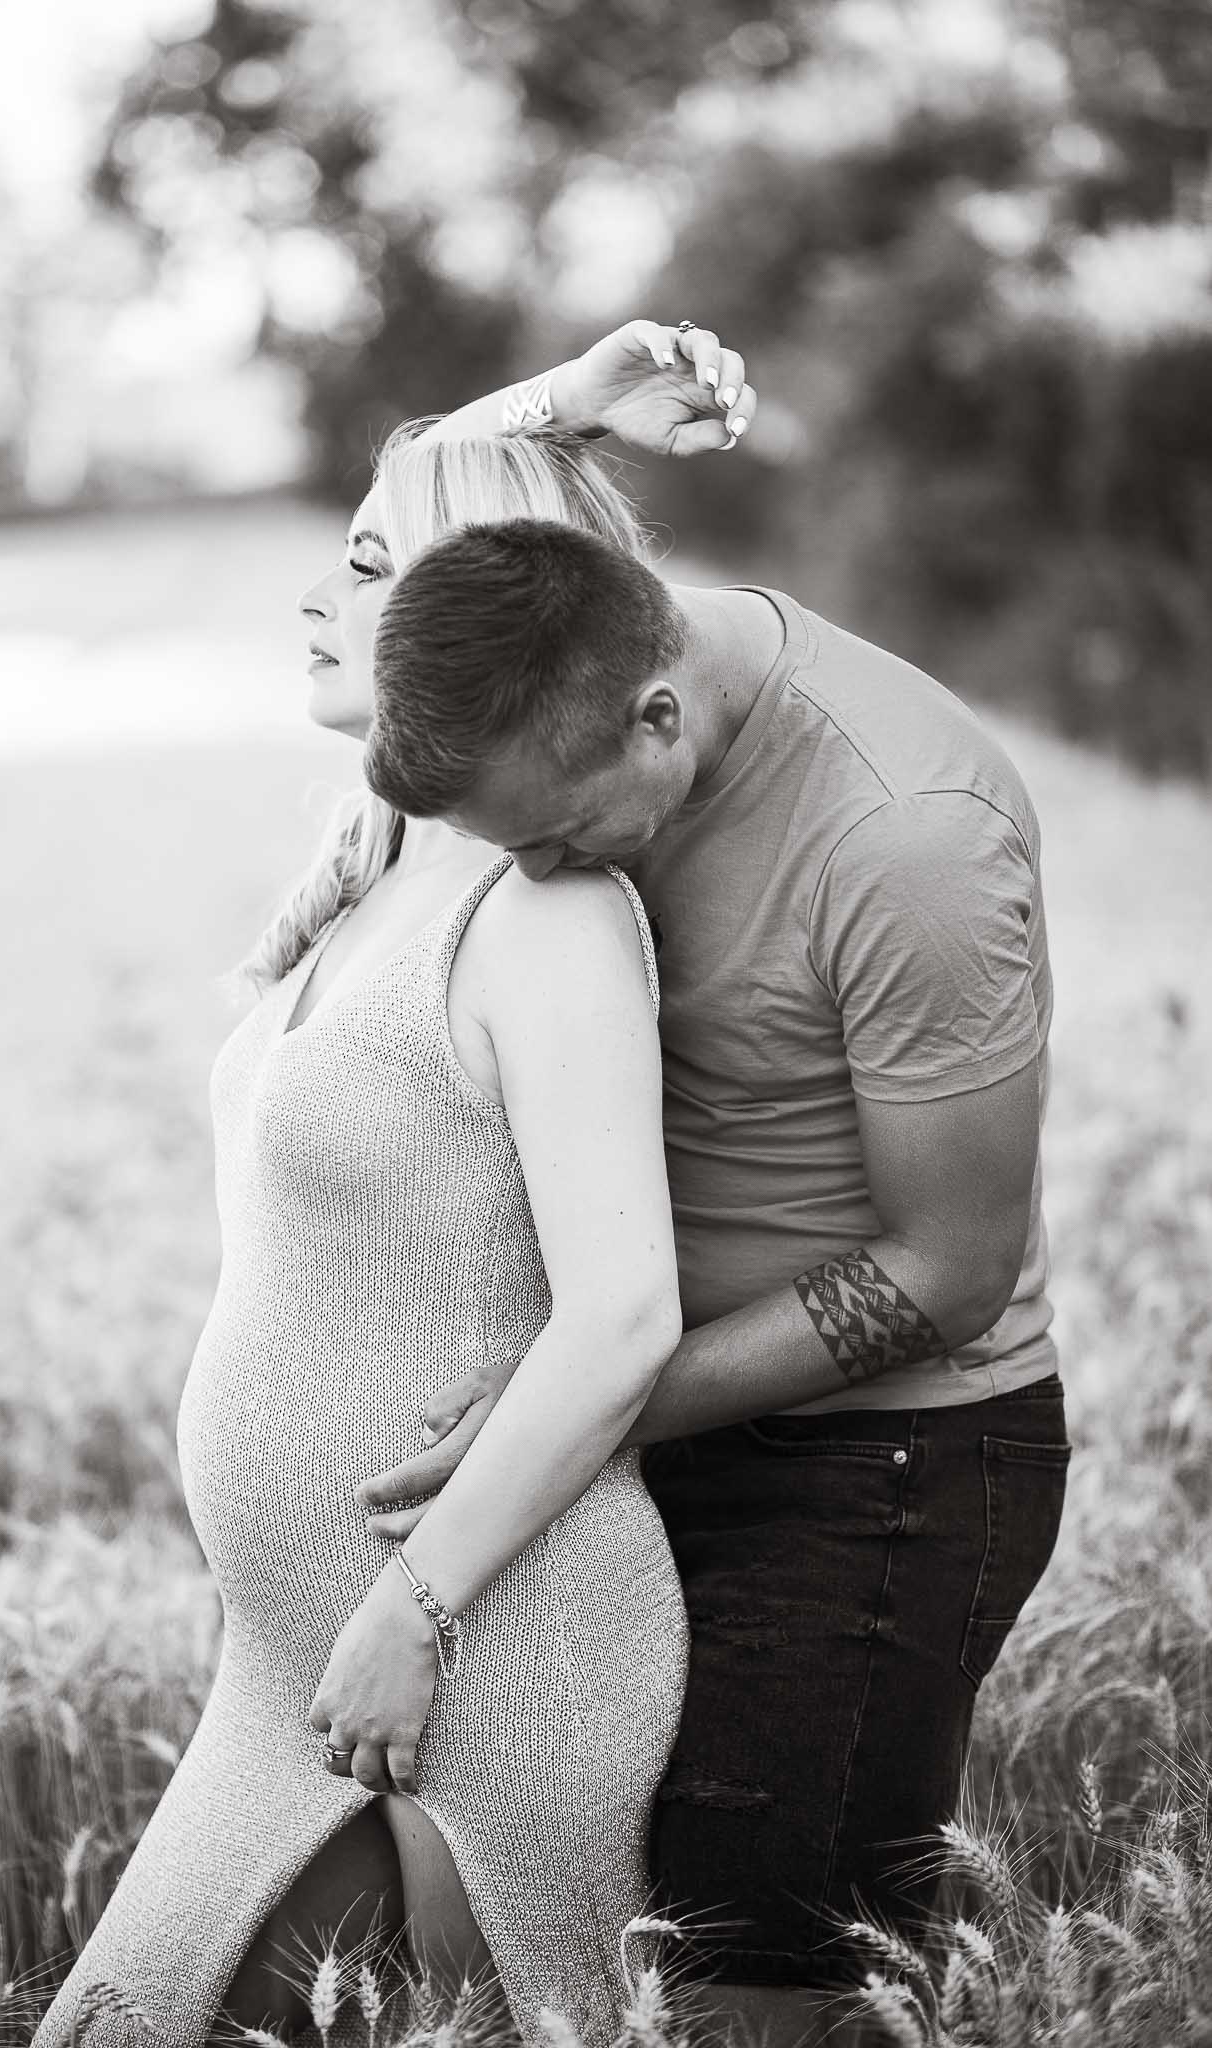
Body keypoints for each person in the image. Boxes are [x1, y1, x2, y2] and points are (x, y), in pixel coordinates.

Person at [32, 328, 759, 2048]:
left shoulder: (544, 914)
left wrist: (413, 1608)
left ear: (458, 631)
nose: (312, 598)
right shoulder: (381, 871)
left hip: (486, 1648)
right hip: (295, 1667)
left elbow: (624, 1316)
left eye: (365, 570)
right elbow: (460, 513)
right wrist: (555, 408)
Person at [358, 349, 1071, 2047]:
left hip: (876, 1470)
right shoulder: (575, 666)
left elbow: (949, 1269)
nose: (538, 883)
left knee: (751, 1989)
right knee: (563, 1952)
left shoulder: (903, 839)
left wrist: (572, 1410)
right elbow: (405, 548)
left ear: (659, 719)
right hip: (627, 1424)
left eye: (555, 839)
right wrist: (557, 400)